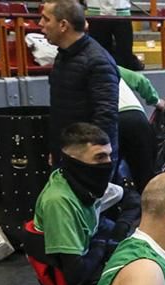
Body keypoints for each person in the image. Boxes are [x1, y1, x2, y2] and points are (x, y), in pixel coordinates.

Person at [28, 123, 126, 285]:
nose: (108, 163)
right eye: (99, 157)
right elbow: (75, 275)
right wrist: (104, 239)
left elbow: (129, 197)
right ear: (74, 161)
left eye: (109, 155)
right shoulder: (59, 202)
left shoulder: (81, 182)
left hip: (90, 253)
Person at [40, 0, 120, 163]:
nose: (41, 24)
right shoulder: (64, 55)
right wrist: (56, 151)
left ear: (63, 25)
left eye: (46, 19)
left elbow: (105, 116)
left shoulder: (97, 61)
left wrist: (94, 159)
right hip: (67, 153)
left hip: (87, 161)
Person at [117, 65, 165, 190]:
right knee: (147, 180)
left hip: (109, 122)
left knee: (111, 181)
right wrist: (157, 101)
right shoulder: (104, 61)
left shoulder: (65, 70)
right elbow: (140, 80)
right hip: (136, 119)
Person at [85, 0, 141, 71]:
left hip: (121, 10)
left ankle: (125, 73)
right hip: (96, 11)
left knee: (124, 50)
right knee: (99, 51)